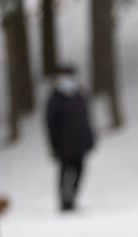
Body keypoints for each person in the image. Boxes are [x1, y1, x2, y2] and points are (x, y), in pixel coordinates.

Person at [45, 65, 95, 211]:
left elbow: (86, 119)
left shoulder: (79, 96)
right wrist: (54, 145)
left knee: (79, 172)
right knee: (65, 173)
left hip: (80, 144)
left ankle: (72, 199)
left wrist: (90, 138)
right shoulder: (55, 98)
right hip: (63, 145)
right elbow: (50, 124)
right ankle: (64, 202)